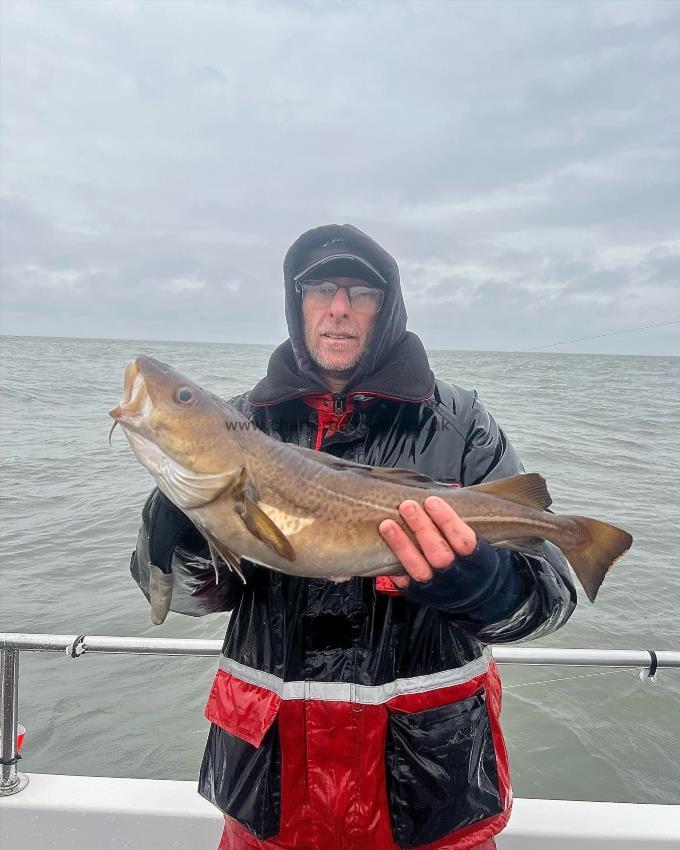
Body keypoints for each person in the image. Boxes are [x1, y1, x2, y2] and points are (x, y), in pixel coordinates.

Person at [131, 224, 576, 850]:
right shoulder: (242, 425)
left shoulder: (459, 423)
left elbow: (550, 602)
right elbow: (179, 600)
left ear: (386, 307)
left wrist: (482, 587)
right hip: (270, 790)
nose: (338, 308)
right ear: (297, 303)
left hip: (428, 790)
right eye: (320, 289)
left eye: (360, 292)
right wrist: (179, 524)